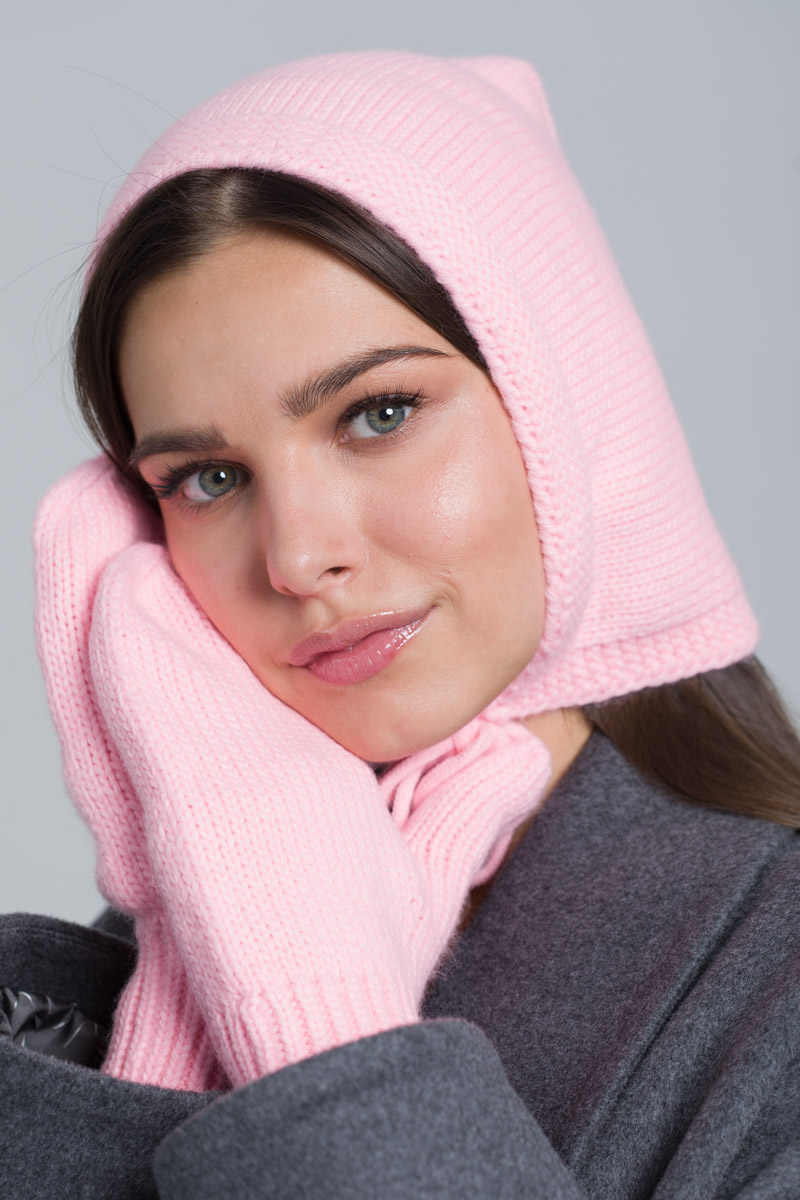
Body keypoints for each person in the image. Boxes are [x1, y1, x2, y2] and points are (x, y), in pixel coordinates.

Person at [3, 49, 800, 1199]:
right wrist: (208, 935)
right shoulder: (166, 954)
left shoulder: (767, 985)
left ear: (565, 410)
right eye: (207, 479)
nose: (296, 557)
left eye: (378, 413)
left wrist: (321, 1022)